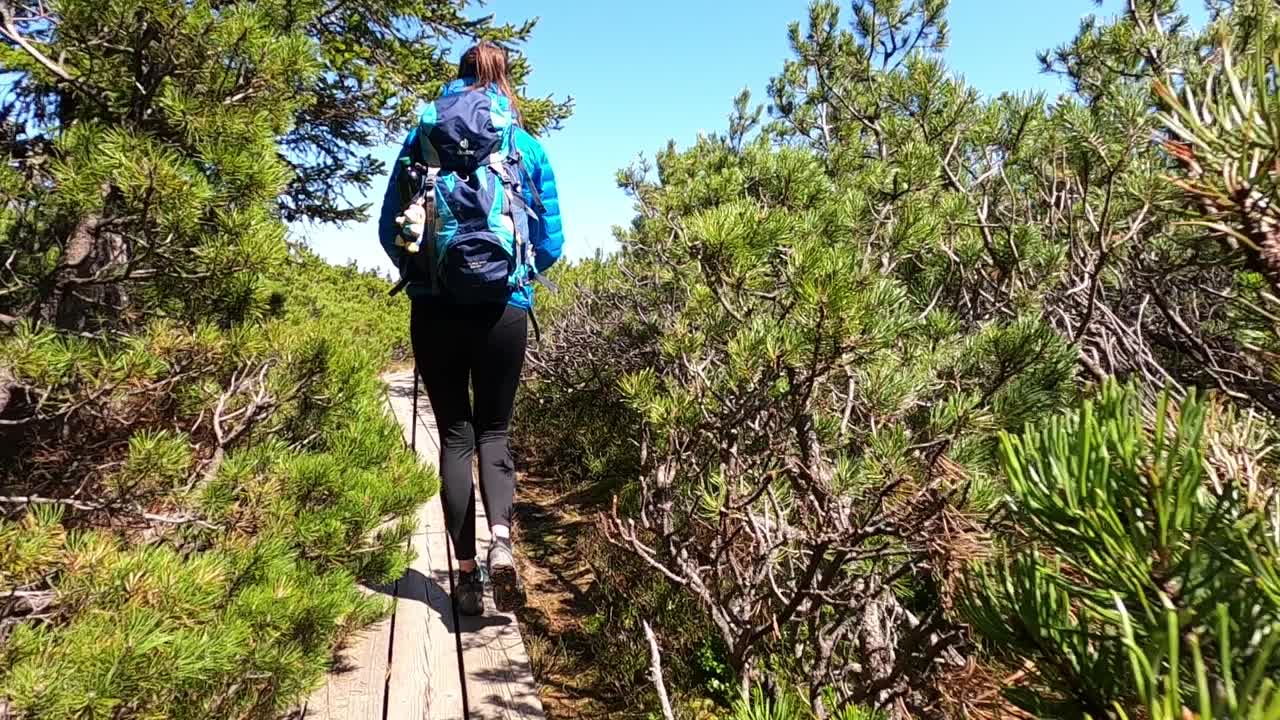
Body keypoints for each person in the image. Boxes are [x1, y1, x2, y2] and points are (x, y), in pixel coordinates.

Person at [377, 42, 563, 615]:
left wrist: (423, 271)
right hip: (504, 308)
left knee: (455, 436)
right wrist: (516, 277)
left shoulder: (421, 140)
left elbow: (390, 230)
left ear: (456, 79)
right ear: (504, 81)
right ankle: (502, 546)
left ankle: (463, 576)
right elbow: (551, 241)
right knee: (495, 434)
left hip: (435, 307)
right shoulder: (524, 145)